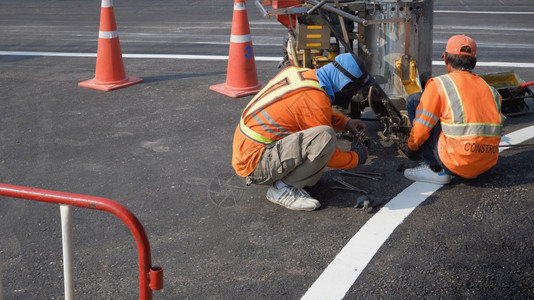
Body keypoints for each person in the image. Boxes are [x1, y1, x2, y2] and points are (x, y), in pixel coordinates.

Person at [232, 53, 374, 211]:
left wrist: (346, 123)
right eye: (354, 92)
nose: (353, 96)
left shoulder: (301, 74)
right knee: (325, 138)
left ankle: (291, 178)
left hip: (247, 149)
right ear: (346, 86)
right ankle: (282, 189)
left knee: (316, 160)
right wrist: (357, 157)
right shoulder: (315, 99)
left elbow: (313, 111)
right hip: (255, 163)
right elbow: (332, 158)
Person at [403, 34, 506, 185]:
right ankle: (471, 167)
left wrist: (411, 149)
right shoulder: (491, 90)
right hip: (485, 166)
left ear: (446, 59)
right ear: (474, 62)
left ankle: (435, 168)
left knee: (415, 100)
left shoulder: (440, 85)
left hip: (455, 162)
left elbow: (420, 129)